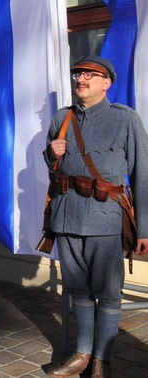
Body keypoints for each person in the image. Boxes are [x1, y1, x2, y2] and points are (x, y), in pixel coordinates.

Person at [44, 56, 148, 378]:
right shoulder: (62, 117)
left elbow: (142, 175)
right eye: (78, 73)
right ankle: (82, 354)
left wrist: (144, 229)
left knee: (108, 291)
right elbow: (52, 169)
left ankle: (103, 360)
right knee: (77, 290)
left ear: (107, 83)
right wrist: (51, 152)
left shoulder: (125, 119)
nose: (82, 79)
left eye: (91, 74)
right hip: (66, 218)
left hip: (105, 219)